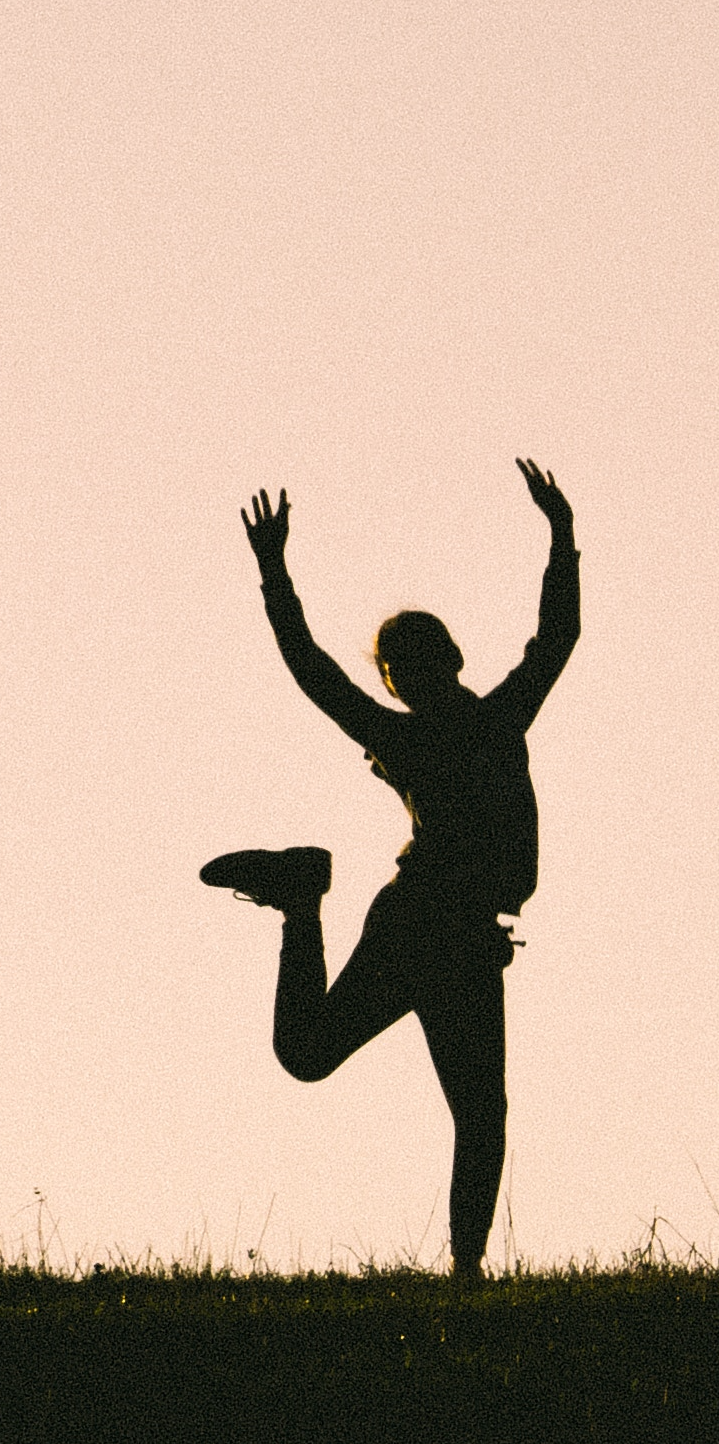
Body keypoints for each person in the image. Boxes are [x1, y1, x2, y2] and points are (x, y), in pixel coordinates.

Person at [205, 462, 578, 1280]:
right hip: (431, 929)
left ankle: (304, 900)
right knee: (475, 1111)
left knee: (430, 1095)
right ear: (415, 674)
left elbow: (318, 673)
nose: (404, 678)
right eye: (398, 670)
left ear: (438, 662)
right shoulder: (486, 721)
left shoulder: (444, 728)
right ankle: (468, 1272)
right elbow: (555, 638)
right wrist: (561, 538)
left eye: (405, 665)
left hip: (444, 932)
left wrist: (276, 573)